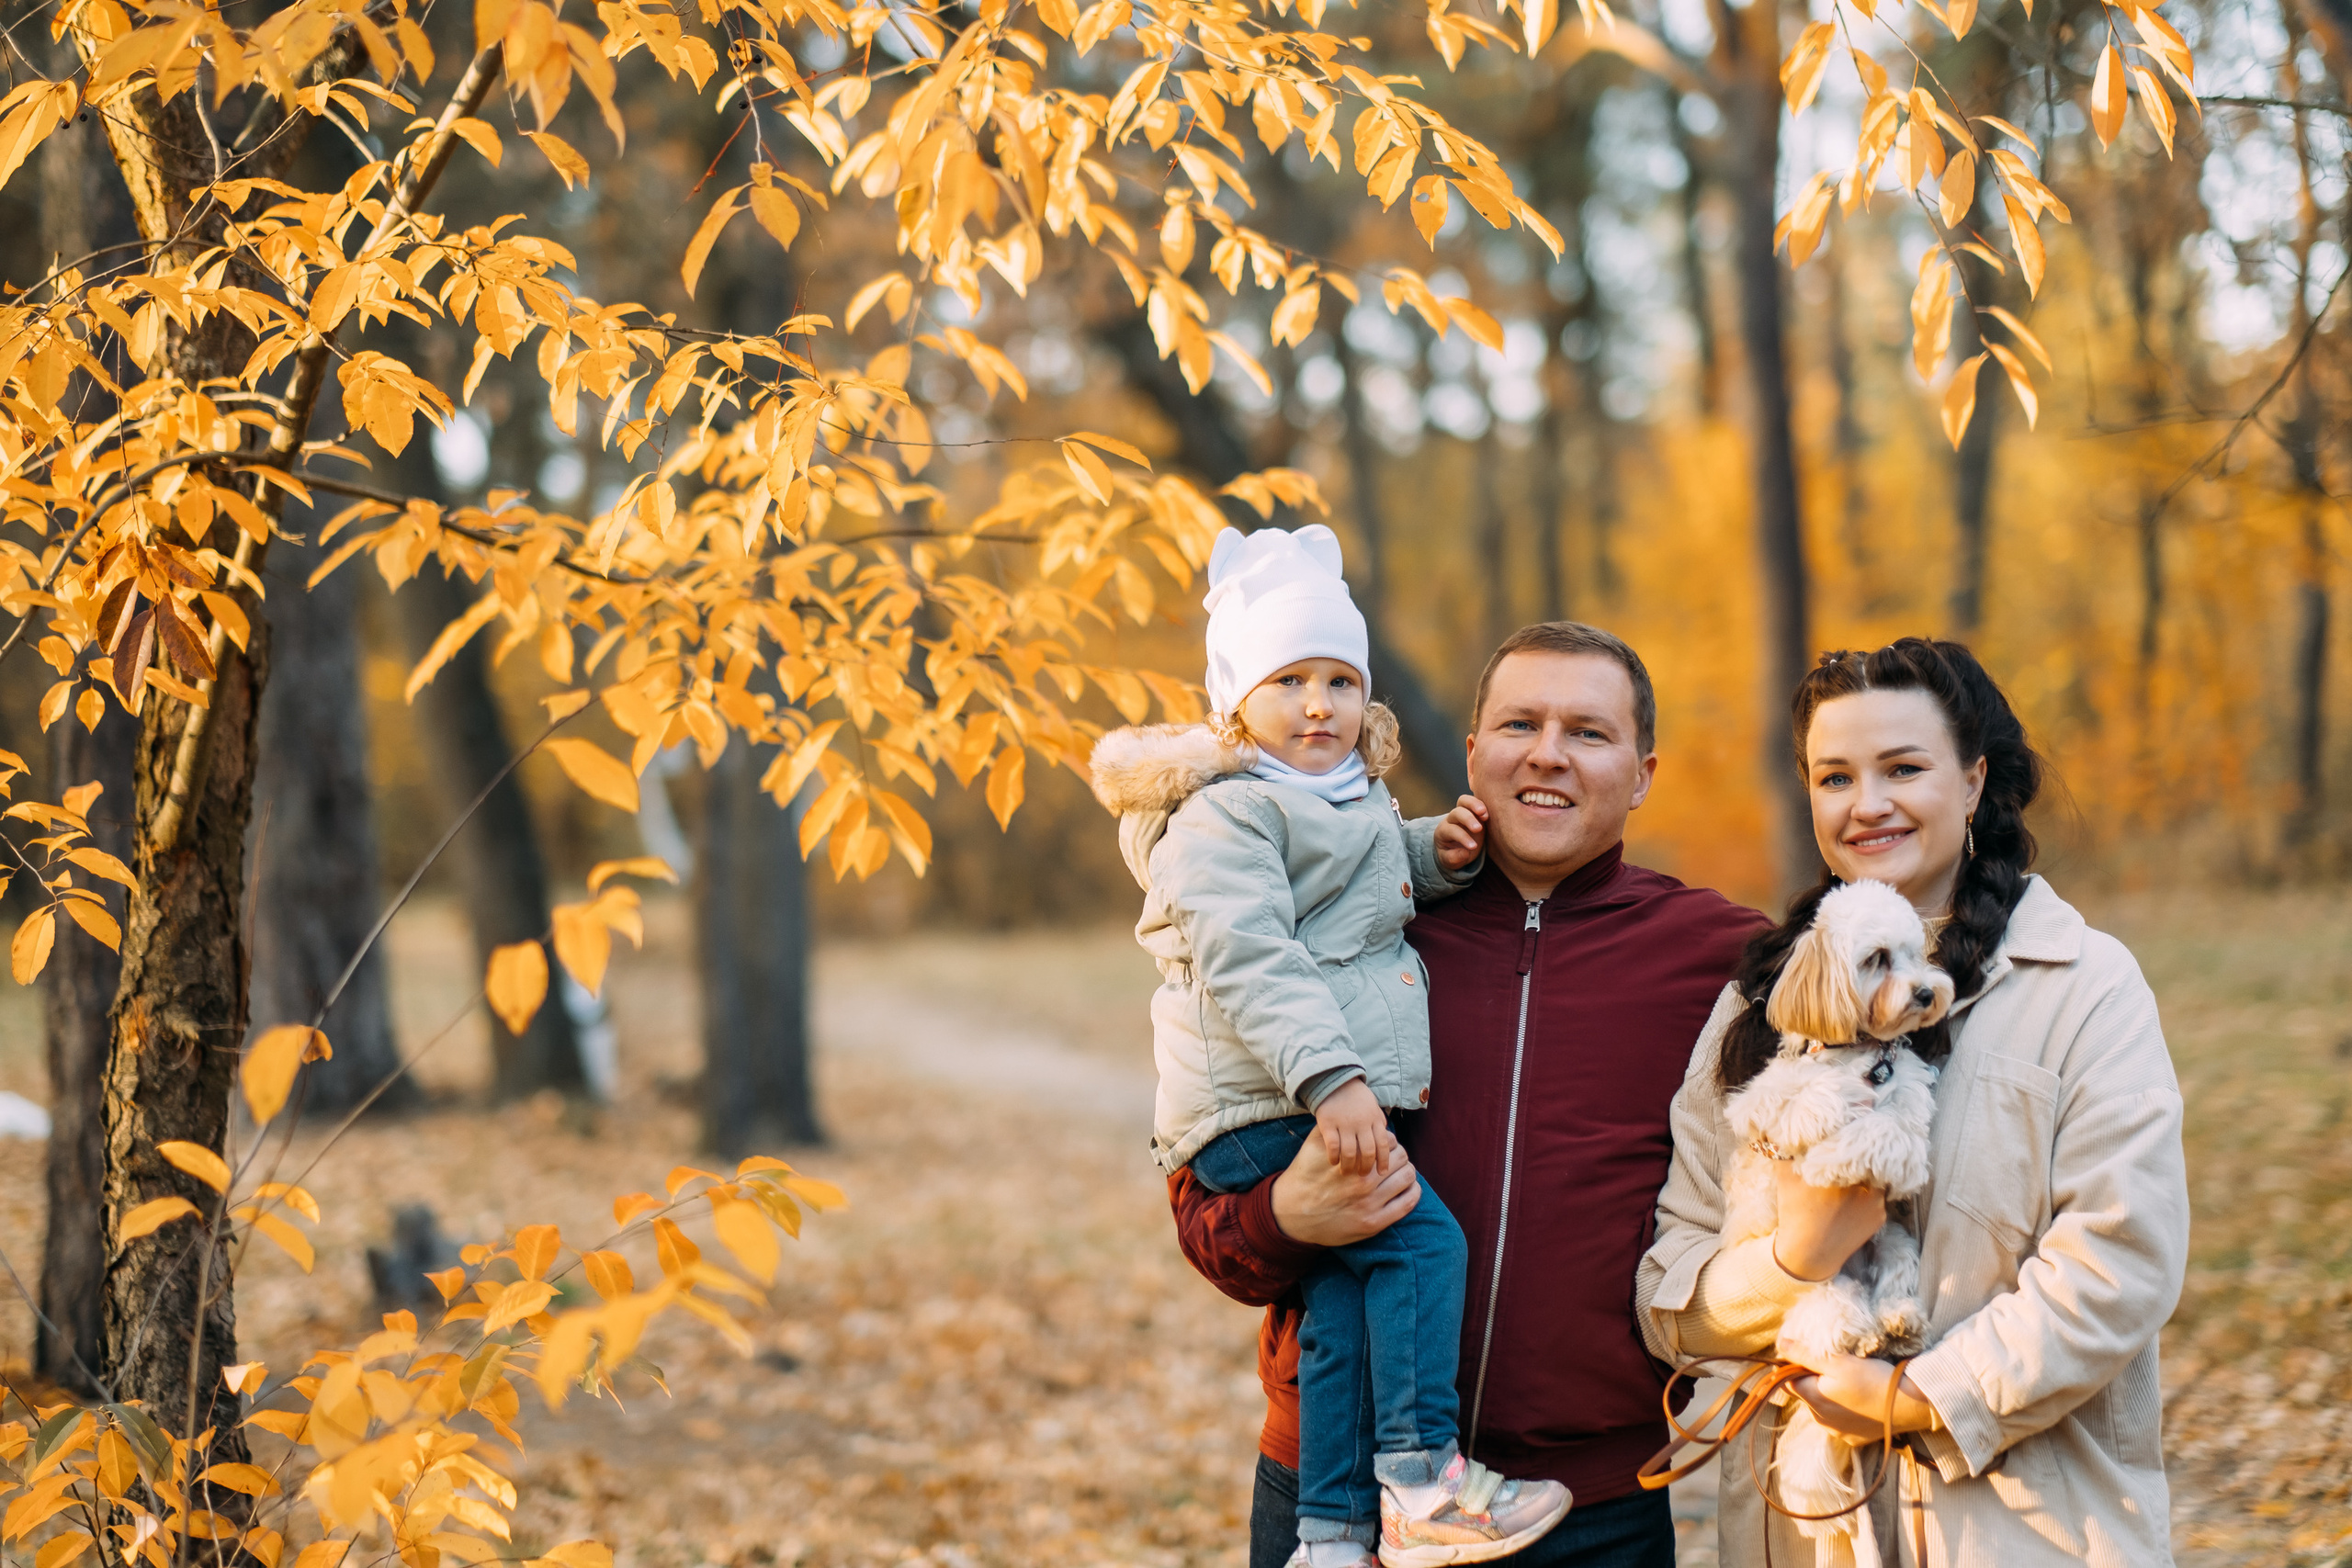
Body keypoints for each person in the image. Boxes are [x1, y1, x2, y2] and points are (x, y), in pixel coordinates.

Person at [1169, 621, 1767, 1568]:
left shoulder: (1723, 958)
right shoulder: (1343, 936)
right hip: (1339, 1494)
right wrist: (1284, 1217)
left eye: (1588, 732)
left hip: (1595, 1507)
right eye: (1521, 724)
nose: (1548, 754)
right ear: (1474, 751)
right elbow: (1206, 1205)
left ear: (1642, 773)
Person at [1637, 638, 2189, 1566]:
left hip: (2027, 1532)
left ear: (1973, 783)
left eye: (1902, 769)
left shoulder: (2084, 986)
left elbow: (2120, 1256)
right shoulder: (1757, 1008)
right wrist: (1791, 1261)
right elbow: (1670, 1296)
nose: (1867, 804)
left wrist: (1925, 1395)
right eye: (1835, 777)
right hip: (1804, 1537)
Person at [1091, 526, 1571, 1568]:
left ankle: (1331, 1537)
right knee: (1423, 1246)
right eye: (1290, 680)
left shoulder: (1332, 797)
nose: (1319, 704)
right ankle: (1423, 1480)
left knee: (1347, 1301)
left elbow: (1345, 888)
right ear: (1235, 704)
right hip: (1262, 1104)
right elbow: (1253, 955)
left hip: (1284, 1097)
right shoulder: (1223, 814)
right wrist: (1335, 1081)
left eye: (1341, 681)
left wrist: (1431, 855)